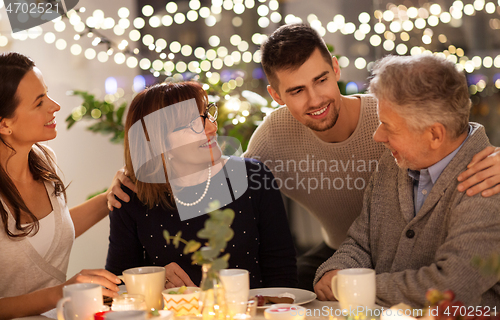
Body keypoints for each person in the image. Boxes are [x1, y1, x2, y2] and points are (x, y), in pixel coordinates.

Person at [242, 23, 500, 291]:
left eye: (321, 80)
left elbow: (455, 140)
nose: (315, 98)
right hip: (345, 252)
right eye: (297, 90)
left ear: (335, 68)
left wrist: (357, 286)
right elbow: (230, 189)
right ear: (276, 96)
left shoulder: (480, 177)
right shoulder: (393, 156)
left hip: (399, 279)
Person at [313, 54, 500, 308]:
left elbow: (451, 286)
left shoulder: (489, 185)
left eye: (388, 126)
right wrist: (336, 270)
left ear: (434, 134)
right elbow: (361, 242)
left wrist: (355, 285)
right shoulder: (393, 163)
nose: (378, 136)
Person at [105, 81, 297, 289]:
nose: (212, 128)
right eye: (192, 124)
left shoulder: (253, 177)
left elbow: (283, 275)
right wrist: (156, 278)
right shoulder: (131, 195)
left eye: (207, 115)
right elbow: (116, 283)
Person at [0, 52, 134, 319]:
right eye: (39, 103)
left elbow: (51, 231)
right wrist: (61, 292)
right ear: (5, 124)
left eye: (47, 94)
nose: (55, 105)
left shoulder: (43, 160)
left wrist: (111, 196)